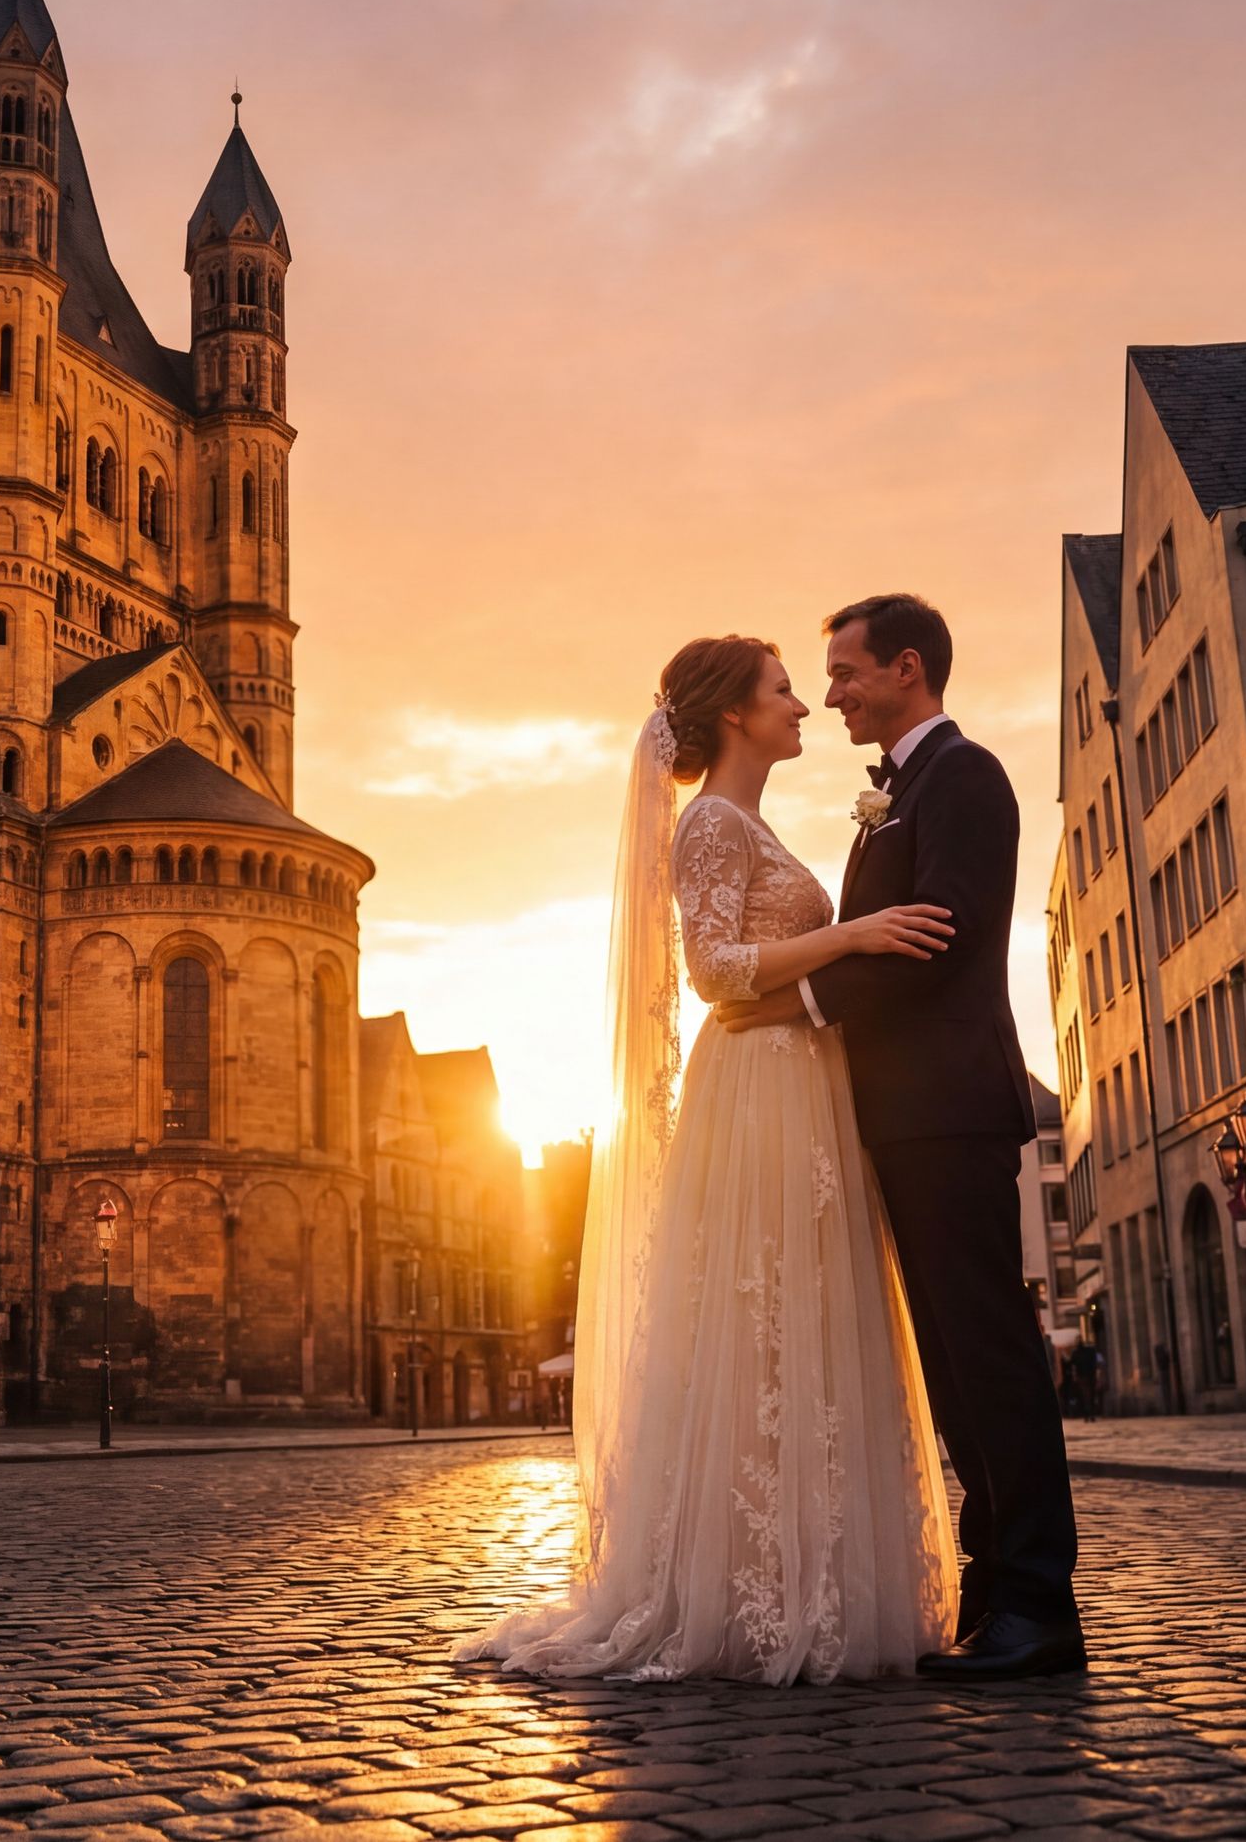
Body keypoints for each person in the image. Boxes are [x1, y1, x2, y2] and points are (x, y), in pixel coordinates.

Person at [455, 635, 963, 1684]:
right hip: (759, 1087)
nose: (804, 705)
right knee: (759, 1314)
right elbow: (714, 970)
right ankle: (748, 1586)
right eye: (784, 690)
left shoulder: (749, 822)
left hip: (802, 1085)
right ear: (735, 713)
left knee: (802, 1321)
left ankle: (811, 1573)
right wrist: (851, 937)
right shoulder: (712, 825)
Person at [715, 594, 1083, 1680]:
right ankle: (993, 1593)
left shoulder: (959, 777)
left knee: (992, 1360)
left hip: (950, 1110)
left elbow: (940, 938)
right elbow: (884, 935)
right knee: (957, 1368)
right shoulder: (900, 791)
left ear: (907, 668)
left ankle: (1037, 1608)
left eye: (845, 672)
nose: (830, 694)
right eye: (821, 677)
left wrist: (799, 1008)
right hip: (905, 1115)